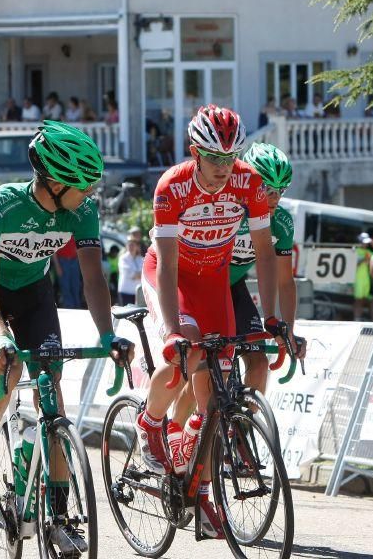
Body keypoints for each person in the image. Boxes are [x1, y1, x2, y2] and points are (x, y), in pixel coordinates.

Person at [0, 120, 132, 554]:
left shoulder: (81, 211)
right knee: (10, 367)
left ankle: (58, 515)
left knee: (50, 389)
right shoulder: (0, 206)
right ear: (54, 182)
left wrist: (108, 334)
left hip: (35, 291)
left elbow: (93, 279)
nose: (90, 193)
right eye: (83, 185)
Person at [136, 105, 285, 539]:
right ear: (194, 152)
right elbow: (165, 265)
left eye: (230, 158)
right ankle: (150, 423)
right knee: (189, 352)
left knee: (215, 403)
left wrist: (271, 316)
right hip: (172, 276)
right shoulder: (172, 187)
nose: (224, 168)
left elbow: (263, 251)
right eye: (214, 159)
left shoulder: (249, 182)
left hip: (215, 280)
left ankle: (200, 493)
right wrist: (172, 330)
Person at [228, 143, 306, 399]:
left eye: (281, 191)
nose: (275, 198)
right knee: (210, 368)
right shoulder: (229, 210)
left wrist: (288, 331)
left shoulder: (281, 223)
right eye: (269, 190)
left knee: (260, 365)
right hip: (201, 287)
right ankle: (185, 431)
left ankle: (241, 434)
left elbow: (285, 282)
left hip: (234, 287)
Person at [52, 237, 81, 308]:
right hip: (62, 262)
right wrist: (57, 266)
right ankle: (70, 309)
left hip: (74, 260)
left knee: (76, 287)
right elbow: (53, 250)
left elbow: (79, 246)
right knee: (65, 288)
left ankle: (77, 308)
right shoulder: (58, 230)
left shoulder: (75, 230)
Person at [353, 233, 373, 321]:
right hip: (358, 279)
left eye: (367, 242)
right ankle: (356, 318)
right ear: (360, 242)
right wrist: (363, 260)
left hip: (367, 280)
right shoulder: (355, 251)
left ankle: (361, 318)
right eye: (364, 242)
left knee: (365, 300)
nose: (366, 244)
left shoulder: (369, 252)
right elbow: (353, 265)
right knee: (358, 300)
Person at [117, 238, 143, 305]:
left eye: (133, 245)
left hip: (138, 294)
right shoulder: (123, 258)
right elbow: (129, 273)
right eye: (129, 245)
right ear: (126, 246)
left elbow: (145, 274)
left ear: (137, 247)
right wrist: (139, 275)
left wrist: (138, 275)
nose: (131, 247)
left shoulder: (141, 259)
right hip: (125, 292)